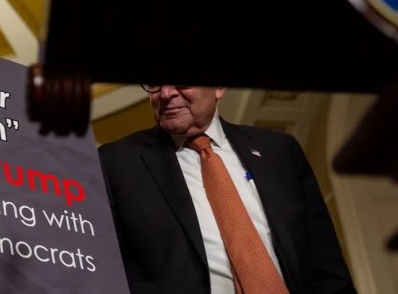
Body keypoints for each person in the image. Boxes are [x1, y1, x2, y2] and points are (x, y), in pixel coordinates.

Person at [99, 85, 355, 294]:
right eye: (155, 83)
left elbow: (327, 267)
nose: (166, 94)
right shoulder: (115, 163)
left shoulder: (279, 150)